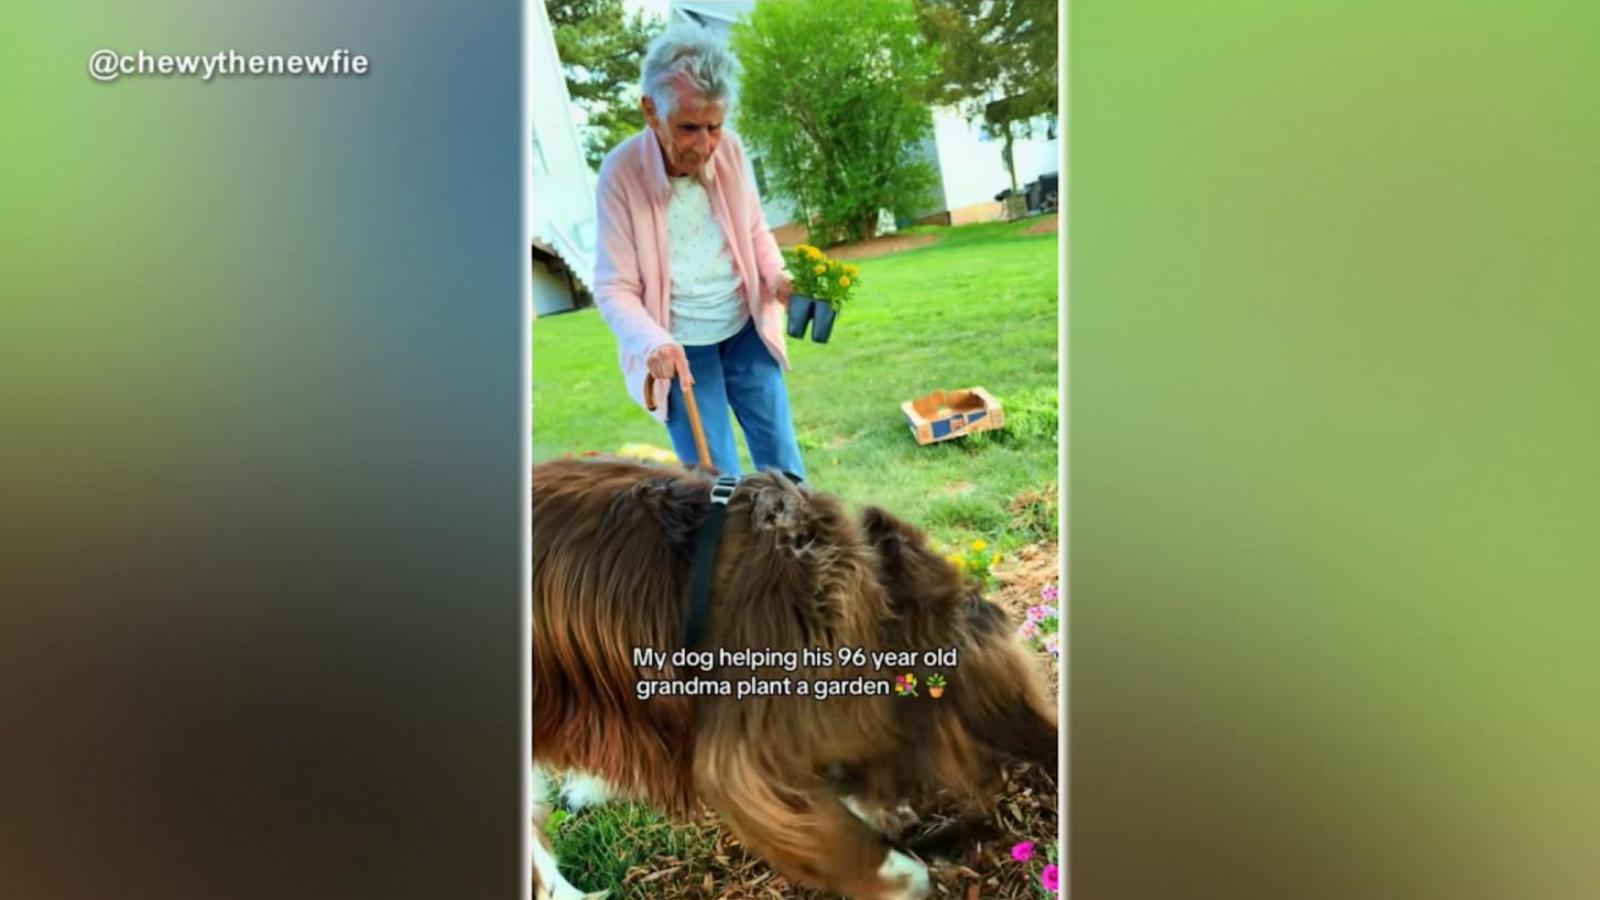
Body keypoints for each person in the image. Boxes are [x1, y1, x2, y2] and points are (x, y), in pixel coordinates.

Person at [591, 23, 805, 479]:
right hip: (682, 349)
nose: (704, 146)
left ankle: (796, 551)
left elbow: (755, 232)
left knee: (784, 467)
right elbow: (614, 287)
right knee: (712, 486)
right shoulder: (620, 172)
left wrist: (778, 279)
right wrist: (654, 342)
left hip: (745, 330)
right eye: (688, 128)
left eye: (714, 126)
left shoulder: (730, 150)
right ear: (651, 110)